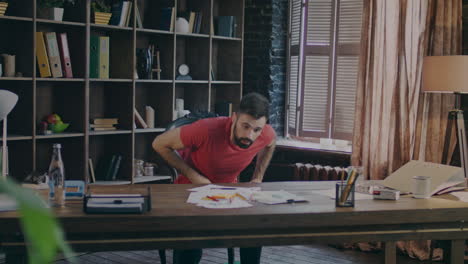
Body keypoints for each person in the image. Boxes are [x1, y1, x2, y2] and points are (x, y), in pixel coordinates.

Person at [152, 92, 276, 264]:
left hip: (228, 194)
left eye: (256, 129)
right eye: (245, 126)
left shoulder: (265, 133)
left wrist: (258, 176)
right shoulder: (206, 129)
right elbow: (159, 143)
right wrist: (192, 175)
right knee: (191, 248)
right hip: (189, 191)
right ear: (234, 118)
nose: (250, 135)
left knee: (254, 233)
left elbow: (270, 143)